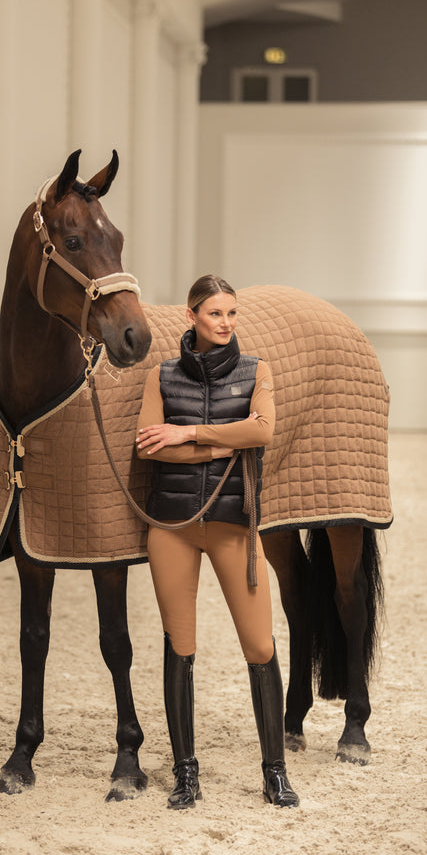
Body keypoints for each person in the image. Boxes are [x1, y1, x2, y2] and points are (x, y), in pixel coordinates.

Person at [136, 274, 299, 810]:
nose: (226, 323)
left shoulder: (257, 372)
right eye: (215, 314)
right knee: (180, 647)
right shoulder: (161, 377)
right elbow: (149, 448)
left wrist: (188, 433)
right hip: (172, 527)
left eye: (232, 313)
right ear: (192, 317)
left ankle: (274, 772)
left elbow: (263, 433)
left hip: (234, 523)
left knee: (259, 646)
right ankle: (186, 773)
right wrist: (220, 444)